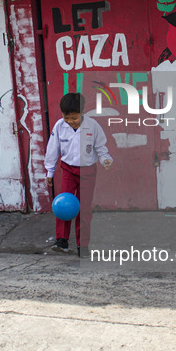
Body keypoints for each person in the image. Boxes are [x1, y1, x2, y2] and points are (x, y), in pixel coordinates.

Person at [45, 92, 113, 258]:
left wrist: (106, 159)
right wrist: (50, 171)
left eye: (74, 118)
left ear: (83, 112)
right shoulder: (59, 126)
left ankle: (83, 245)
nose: (70, 121)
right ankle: (61, 241)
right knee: (63, 205)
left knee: (84, 209)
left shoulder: (93, 126)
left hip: (88, 172)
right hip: (68, 170)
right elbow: (53, 149)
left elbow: (101, 147)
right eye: (66, 118)